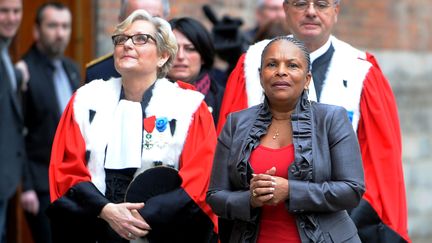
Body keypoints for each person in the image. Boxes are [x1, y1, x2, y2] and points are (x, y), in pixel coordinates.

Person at [217, 0, 410, 242]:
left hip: (342, 222)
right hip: (260, 225)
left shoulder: (360, 70)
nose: (310, 12)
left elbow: (379, 161)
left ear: (336, 12)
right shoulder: (252, 64)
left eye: (321, 4)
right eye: (300, 3)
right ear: (285, 9)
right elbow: (225, 168)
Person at [47, 9, 218, 243]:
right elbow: (66, 171)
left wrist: (137, 219)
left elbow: (198, 183)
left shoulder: (189, 107)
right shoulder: (84, 101)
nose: (127, 45)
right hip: (95, 229)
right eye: (121, 39)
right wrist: (106, 210)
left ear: (163, 56)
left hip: (163, 230)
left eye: (141, 39)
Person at [207, 36, 365, 242]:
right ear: (261, 75)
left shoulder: (331, 119)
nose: (281, 71)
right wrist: (251, 199)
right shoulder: (236, 123)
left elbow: (352, 190)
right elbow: (215, 196)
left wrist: (291, 190)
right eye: (272, 64)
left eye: (292, 65)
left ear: (307, 79)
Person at [17, 3, 81, 243]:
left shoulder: (72, 69)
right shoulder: (25, 72)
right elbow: (17, 134)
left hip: (73, 181)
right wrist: (27, 186)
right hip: (41, 183)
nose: (60, 33)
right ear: (37, 30)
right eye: (52, 26)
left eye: (65, 26)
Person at [85, 0, 170, 83]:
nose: (145, 25)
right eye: (135, 19)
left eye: (154, 19)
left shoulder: (179, 68)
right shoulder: (98, 76)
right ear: (121, 21)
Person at [167, 17, 224, 126]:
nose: (181, 56)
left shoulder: (223, 99)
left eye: (190, 48)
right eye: (173, 49)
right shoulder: (147, 96)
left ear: (203, 56)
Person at [0, 0, 26, 242]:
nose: (11, 18)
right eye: (4, 11)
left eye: (16, 11)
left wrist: (16, 76)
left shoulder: (5, 52)